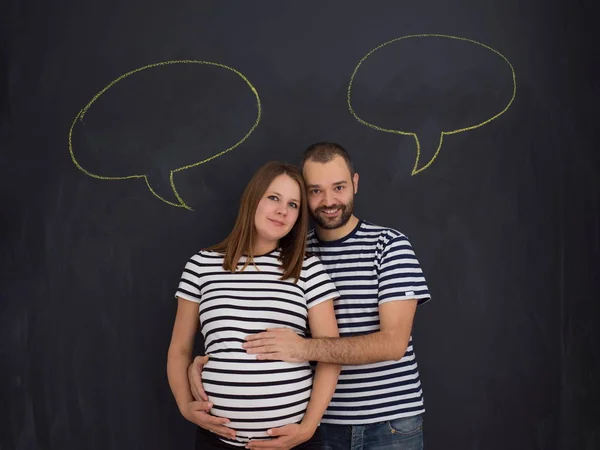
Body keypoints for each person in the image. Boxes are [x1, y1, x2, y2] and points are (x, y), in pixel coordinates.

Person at [189, 143, 431, 450]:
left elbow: (393, 344)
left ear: (355, 183)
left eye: (339, 187)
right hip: (318, 424)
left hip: (388, 423)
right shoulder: (293, 253)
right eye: (316, 190)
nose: (329, 201)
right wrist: (210, 364)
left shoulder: (389, 245)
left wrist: (303, 348)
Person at [167, 161, 341, 449]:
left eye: (293, 204)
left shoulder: (308, 269)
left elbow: (330, 353)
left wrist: (308, 427)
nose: (282, 210)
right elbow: (180, 348)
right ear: (252, 199)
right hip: (218, 440)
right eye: (273, 197)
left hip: (293, 441)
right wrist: (185, 406)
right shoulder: (202, 265)